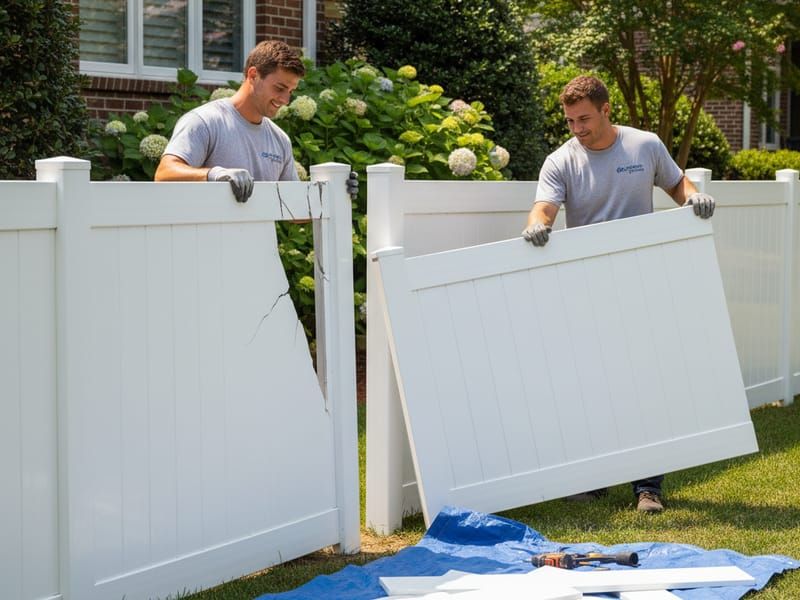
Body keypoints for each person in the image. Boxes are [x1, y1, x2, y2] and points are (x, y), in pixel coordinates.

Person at [522, 75, 715, 514]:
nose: (577, 128)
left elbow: (678, 184)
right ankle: (593, 480)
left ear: (607, 110)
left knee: (643, 383)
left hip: (640, 281)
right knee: (593, 383)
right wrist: (537, 225)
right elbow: (545, 207)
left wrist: (695, 198)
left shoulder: (644, 146)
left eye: (584, 118)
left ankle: (648, 488)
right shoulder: (561, 160)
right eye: (570, 120)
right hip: (586, 285)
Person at [155, 40, 357, 201]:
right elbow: (164, 174)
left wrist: (337, 192)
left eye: (291, 92)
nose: (285, 100)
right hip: (208, 250)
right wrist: (214, 174)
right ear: (253, 75)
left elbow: (295, 209)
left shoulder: (280, 139)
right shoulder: (205, 121)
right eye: (279, 88)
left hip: (261, 252)